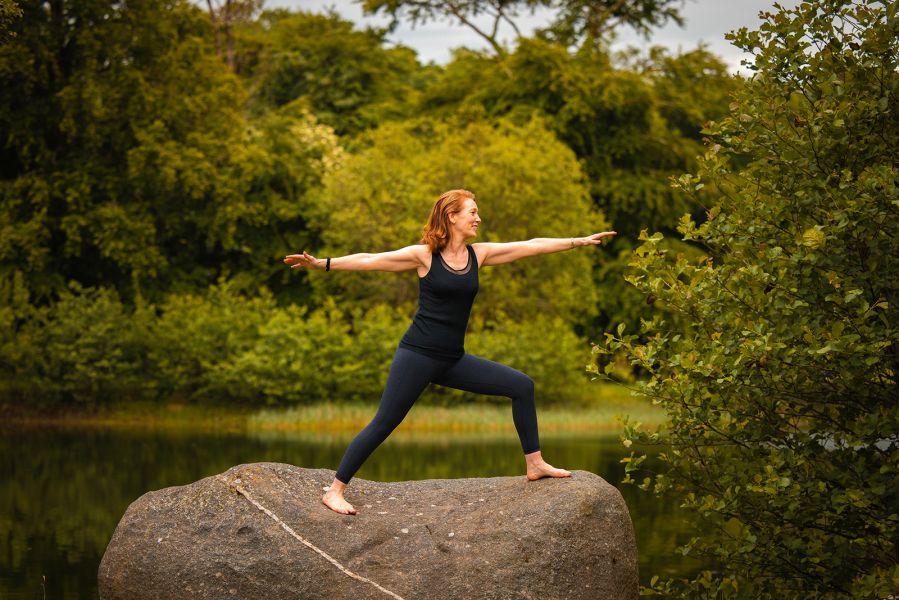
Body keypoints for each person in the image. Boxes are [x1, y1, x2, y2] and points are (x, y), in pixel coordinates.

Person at [283, 189, 617, 515]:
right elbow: (372, 260)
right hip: (418, 355)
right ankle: (335, 490)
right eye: (472, 212)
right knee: (386, 421)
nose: (478, 218)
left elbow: (531, 246)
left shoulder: (479, 254)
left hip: (452, 359)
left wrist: (577, 241)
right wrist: (323, 264)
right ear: (451, 216)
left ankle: (535, 463)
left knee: (521, 386)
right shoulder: (424, 255)